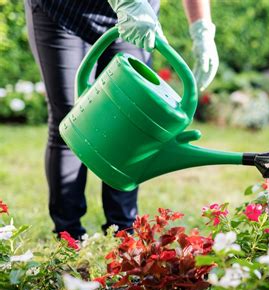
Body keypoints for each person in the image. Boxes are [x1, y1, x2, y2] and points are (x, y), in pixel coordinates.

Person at [24, 0, 219, 240]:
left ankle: (123, 234)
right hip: (63, 12)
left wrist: (202, 31)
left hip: (137, 15)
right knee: (71, 120)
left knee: (133, 123)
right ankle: (68, 237)